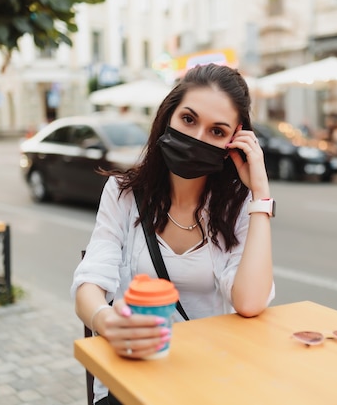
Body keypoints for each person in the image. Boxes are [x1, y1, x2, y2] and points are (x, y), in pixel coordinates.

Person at [71, 64, 275, 405]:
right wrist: (106, 321)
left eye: (217, 131)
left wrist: (260, 194)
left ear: (233, 142)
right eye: (189, 120)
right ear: (169, 116)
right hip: (134, 378)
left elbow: (250, 302)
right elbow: (90, 283)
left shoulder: (239, 207)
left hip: (208, 380)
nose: (197, 138)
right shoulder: (122, 193)